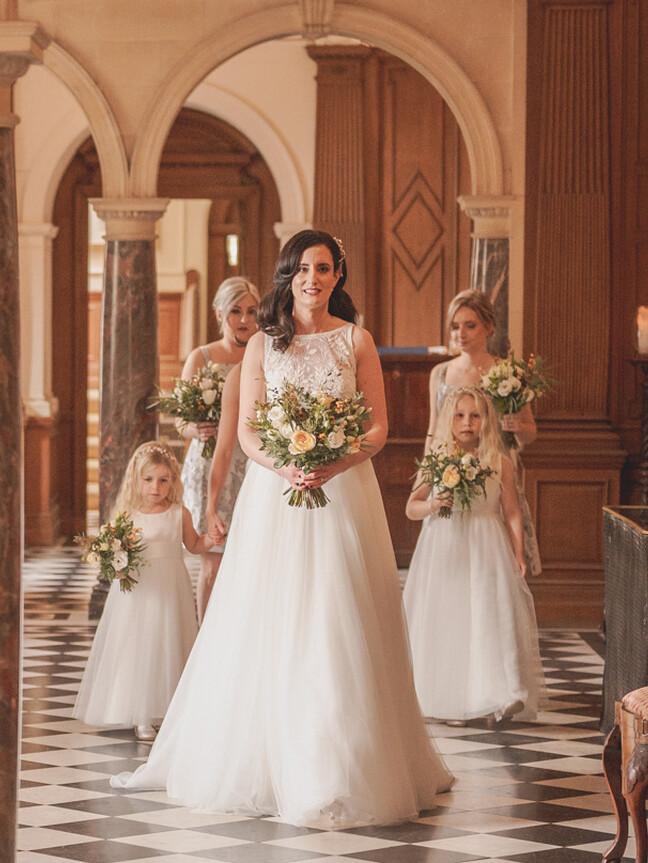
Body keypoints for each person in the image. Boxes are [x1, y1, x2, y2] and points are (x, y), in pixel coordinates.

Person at [112, 230, 453, 827]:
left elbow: (377, 429)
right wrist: (287, 464)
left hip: (344, 494)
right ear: (287, 275)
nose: (311, 279)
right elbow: (245, 431)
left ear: (337, 275)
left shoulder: (356, 341)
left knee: (338, 614)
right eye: (300, 269)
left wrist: (334, 461)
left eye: (322, 268)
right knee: (267, 616)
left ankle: (342, 763)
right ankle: (263, 757)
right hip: (277, 495)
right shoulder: (263, 346)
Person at [402, 386, 545, 724]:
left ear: (487, 420)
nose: (467, 423)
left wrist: (518, 551)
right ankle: (452, 699)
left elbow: (511, 510)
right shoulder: (436, 460)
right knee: (452, 616)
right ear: (449, 420)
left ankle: (502, 693)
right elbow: (411, 507)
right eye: (460, 415)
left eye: (475, 415)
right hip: (446, 546)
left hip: (486, 545)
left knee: (490, 615)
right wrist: (434, 504)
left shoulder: (499, 462)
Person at [73, 442, 208, 741]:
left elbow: (195, 545)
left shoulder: (179, 513)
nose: (156, 487)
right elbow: (114, 550)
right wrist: (112, 560)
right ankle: (142, 713)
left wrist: (211, 538)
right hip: (139, 592)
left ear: (173, 481)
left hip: (171, 588)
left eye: (163, 480)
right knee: (141, 646)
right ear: (137, 479)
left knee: (170, 641)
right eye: (148, 480)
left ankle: (173, 709)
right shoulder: (127, 516)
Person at [428, 290, 542, 576]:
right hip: (451, 472)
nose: (461, 333)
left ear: (488, 327)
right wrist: (429, 474)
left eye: (470, 325)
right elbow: (433, 431)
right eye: (455, 326)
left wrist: (518, 426)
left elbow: (530, 434)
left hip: (495, 474)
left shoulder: (507, 373)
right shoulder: (440, 374)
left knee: (496, 564)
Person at [173, 276, 258, 616]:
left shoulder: (263, 353)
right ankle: (203, 638)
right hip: (208, 463)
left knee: (248, 557)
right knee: (211, 561)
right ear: (219, 313)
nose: (244, 320)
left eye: (252, 312)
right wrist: (194, 428)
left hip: (251, 462)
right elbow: (179, 420)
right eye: (236, 311)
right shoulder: (202, 357)